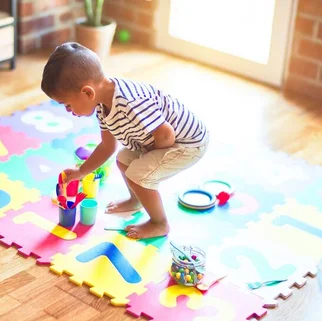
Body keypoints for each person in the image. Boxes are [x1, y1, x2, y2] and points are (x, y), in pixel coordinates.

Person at [41, 42, 209, 239]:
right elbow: (107, 146)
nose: (68, 110)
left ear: (87, 92)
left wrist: (148, 158)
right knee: (123, 159)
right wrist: (81, 172)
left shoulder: (130, 102)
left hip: (187, 144)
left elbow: (166, 134)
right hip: (164, 140)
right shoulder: (103, 104)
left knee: (139, 174)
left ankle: (160, 223)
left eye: (68, 105)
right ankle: (135, 200)